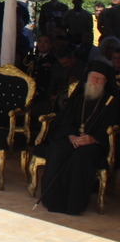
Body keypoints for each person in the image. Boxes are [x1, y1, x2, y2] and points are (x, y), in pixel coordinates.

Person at [41, 61, 118, 215]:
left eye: (99, 79)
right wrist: (71, 136)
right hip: (72, 138)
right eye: (93, 77)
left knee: (79, 157)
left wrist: (93, 139)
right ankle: (52, 199)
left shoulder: (112, 102)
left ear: (105, 82)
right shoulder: (78, 98)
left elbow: (112, 127)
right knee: (58, 150)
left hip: (95, 144)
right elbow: (65, 121)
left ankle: (73, 204)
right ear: (87, 78)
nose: (95, 81)